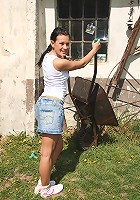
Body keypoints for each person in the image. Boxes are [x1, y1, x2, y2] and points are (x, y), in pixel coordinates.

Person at [34, 27, 101, 198]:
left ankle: (45, 177)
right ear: (52, 43)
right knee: (47, 151)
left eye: (67, 44)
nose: (65, 47)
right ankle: (43, 188)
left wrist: (63, 56)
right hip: (51, 105)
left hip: (48, 104)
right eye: (61, 43)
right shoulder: (58, 62)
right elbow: (82, 64)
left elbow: (63, 63)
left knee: (60, 145)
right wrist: (94, 50)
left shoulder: (49, 57)